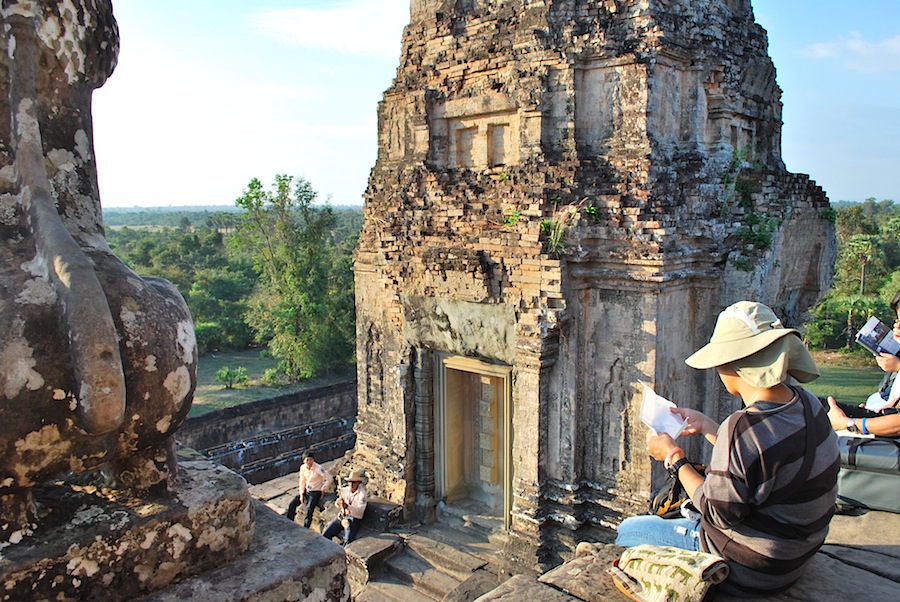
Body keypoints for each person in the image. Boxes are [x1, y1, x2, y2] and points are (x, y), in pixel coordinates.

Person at [616, 301, 840, 597]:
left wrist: (673, 457)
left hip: (751, 568)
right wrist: (710, 427)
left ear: (732, 364)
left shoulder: (744, 426)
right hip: (793, 556)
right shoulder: (806, 402)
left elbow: (717, 512)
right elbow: (764, 459)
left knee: (629, 530)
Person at [285, 453, 332, 528]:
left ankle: (306, 527)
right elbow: (302, 481)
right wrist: (301, 493)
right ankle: (289, 522)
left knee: (309, 508)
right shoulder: (303, 468)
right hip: (306, 490)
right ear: (304, 461)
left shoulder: (318, 468)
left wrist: (323, 489)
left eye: (311, 460)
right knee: (292, 504)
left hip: (315, 491)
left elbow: (329, 478)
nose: (309, 462)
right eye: (307, 460)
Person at [322, 469, 367, 545]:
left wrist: (348, 507)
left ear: (358, 483)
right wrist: (339, 504)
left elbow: (360, 510)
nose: (351, 484)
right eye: (350, 482)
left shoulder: (362, 494)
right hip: (343, 516)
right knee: (326, 534)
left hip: (353, 520)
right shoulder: (345, 490)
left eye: (354, 482)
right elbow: (337, 503)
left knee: (348, 541)